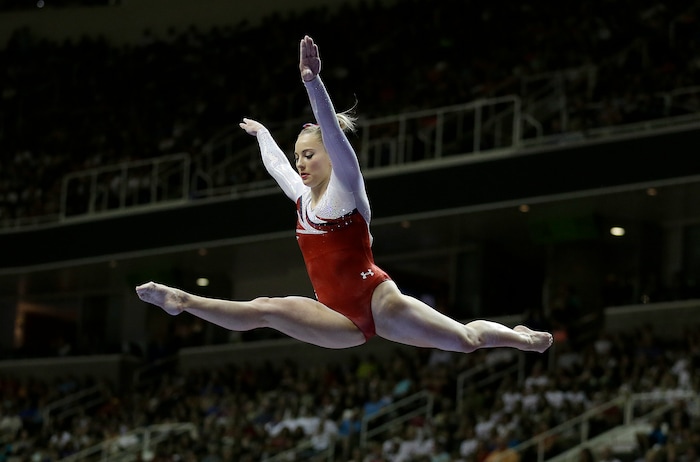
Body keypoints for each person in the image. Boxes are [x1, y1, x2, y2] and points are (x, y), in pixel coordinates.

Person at [136, 35, 553, 355]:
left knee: (465, 340)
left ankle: (517, 337)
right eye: (299, 155)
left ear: (331, 158)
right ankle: (183, 300)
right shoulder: (302, 200)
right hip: (335, 316)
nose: (301, 163)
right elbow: (278, 166)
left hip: (377, 302)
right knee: (265, 308)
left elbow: (332, 133)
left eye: (309, 155)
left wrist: (313, 83)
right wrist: (263, 134)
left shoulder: (348, 188)